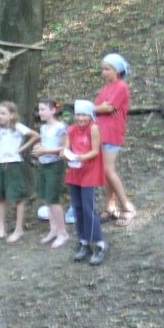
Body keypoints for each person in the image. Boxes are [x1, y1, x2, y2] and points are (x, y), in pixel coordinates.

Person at [62, 99, 108, 266]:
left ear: (90, 116)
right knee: (77, 207)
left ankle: (99, 243)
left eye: (84, 115)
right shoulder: (71, 129)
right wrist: (65, 154)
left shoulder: (94, 128)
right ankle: (83, 241)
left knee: (89, 208)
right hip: (75, 171)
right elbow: (66, 148)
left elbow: (95, 151)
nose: (80, 118)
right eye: (78, 114)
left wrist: (80, 157)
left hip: (89, 171)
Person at [94, 53, 137, 227]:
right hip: (101, 133)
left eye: (107, 69)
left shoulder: (121, 87)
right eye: (102, 69)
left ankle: (128, 207)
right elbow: (100, 107)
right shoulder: (106, 88)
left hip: (112, 133)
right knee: (104, 173)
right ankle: (111, 207)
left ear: (117, 70)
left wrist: (90, 108)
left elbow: (108, 108)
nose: (104, 72)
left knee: (108, 170)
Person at [0, 101, 40, 243]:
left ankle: (18, 229)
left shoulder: (17, 127)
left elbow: (35, 135)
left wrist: (22, 148)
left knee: (18, 197)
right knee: (0, 197)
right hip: (0, 164)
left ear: (12, 115)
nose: (0, 116)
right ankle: (1, 227)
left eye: (4, 113)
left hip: (14, 164)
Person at [31, 99, 69, 249]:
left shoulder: (60, 127)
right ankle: (53, 230)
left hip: (55, 165)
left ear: (53, 111)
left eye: (43, 109)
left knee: (53, 200)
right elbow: (45, 145)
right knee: (47, 199)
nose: (40, 112)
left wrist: (46, 151)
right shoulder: (43, 128)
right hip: (44, 164)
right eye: (39, 110)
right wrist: (39, 149)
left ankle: (63, 233)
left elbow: (65, 147)